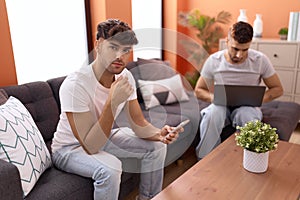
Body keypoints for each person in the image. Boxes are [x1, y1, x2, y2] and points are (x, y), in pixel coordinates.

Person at [51, 19, 183, 200]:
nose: (120, 56)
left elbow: (138, 122)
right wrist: (112, 102)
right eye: (113, 47)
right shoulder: (75, 85)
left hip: (104, 134)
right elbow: (90, 146)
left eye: (126, 50)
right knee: (110, 168)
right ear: (98, 44)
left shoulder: (124, 76)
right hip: (70, 148)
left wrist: (160, 133)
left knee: (157, 146)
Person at [194, 21, 283, 160]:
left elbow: (277, 89)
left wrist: (256, 99)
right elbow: (199, 90)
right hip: (220, 105)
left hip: (247, 107)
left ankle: (248, 160)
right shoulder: (214, 60)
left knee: (246, 116)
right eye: (235, 49)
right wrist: (215, 98)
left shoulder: (260, 60)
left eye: (245, 50)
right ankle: (205, 160)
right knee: (212, 114)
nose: (239, 55)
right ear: (227, 41)